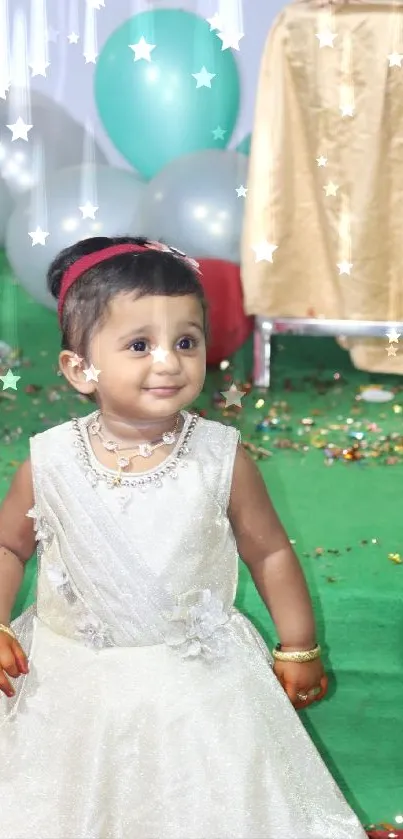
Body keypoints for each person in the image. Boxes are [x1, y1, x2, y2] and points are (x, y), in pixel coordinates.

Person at [0, 236, 367, 839]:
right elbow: (10, 546)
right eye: (139, 344)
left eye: (186, 342)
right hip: (69, 686)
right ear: (78, 369)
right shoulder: (49, 462)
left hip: (200, 685)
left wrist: (298, 644)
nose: (168, 361)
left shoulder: (221, 458)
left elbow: (268, 549)